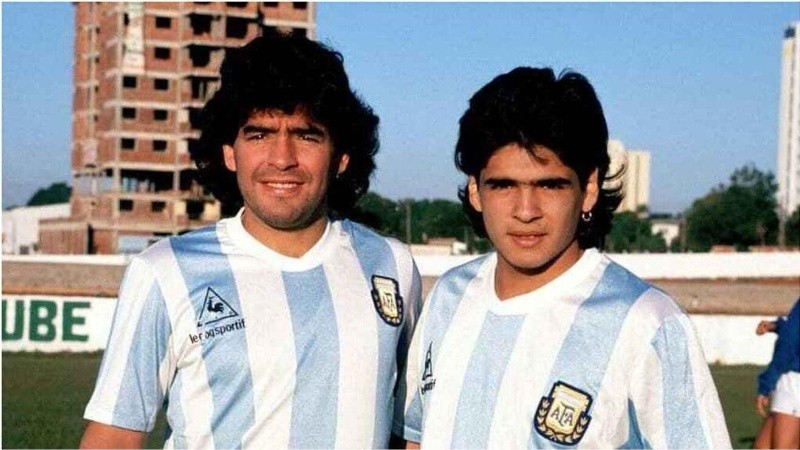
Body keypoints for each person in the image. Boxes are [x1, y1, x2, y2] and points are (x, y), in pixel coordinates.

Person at [80, 33, 421, 449]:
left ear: (341, 156)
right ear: (229, 152)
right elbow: (114, 436)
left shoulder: (391, 266)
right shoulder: (164, 270)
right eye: (259, 135)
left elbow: (409, 434)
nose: (282, 158)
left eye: (306, 135)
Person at [399, 67, 731, 448]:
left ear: (588, 188)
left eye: (550, 185)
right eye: (503, 185)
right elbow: (417, 438)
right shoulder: (448, 297)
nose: (526, 210)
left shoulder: (647, 322)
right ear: (475, 190)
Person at [753, 298, 800, 449]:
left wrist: (766, 384)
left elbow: (788, 344)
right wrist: (776, 326)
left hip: (794, 383)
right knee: (762, 447)